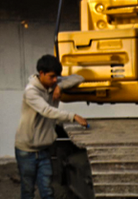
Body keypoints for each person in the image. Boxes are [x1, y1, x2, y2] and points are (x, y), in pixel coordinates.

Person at [15, 54, 90, 199]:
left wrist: (59, 86)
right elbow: (46, 111)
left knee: (47, 191)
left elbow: (79, 78)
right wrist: (73, 116)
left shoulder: (53, 83)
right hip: (26, 151)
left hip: (44, 150)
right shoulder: (31, 91)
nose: (55, 80)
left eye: (57, 77)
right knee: (28, 191)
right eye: (52, 77)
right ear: (41, 74)